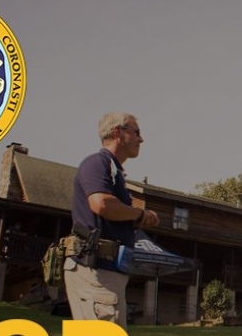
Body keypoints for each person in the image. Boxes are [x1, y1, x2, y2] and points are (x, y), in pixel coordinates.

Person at [64, 112, 160, 328]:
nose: (141, 139)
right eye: (136, 132)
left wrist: (135, 218)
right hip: (95, 271)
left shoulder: (114, 170)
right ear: (118, 131)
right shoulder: (97, 162)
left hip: (105, 272)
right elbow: (102, 204)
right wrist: (140, 214)